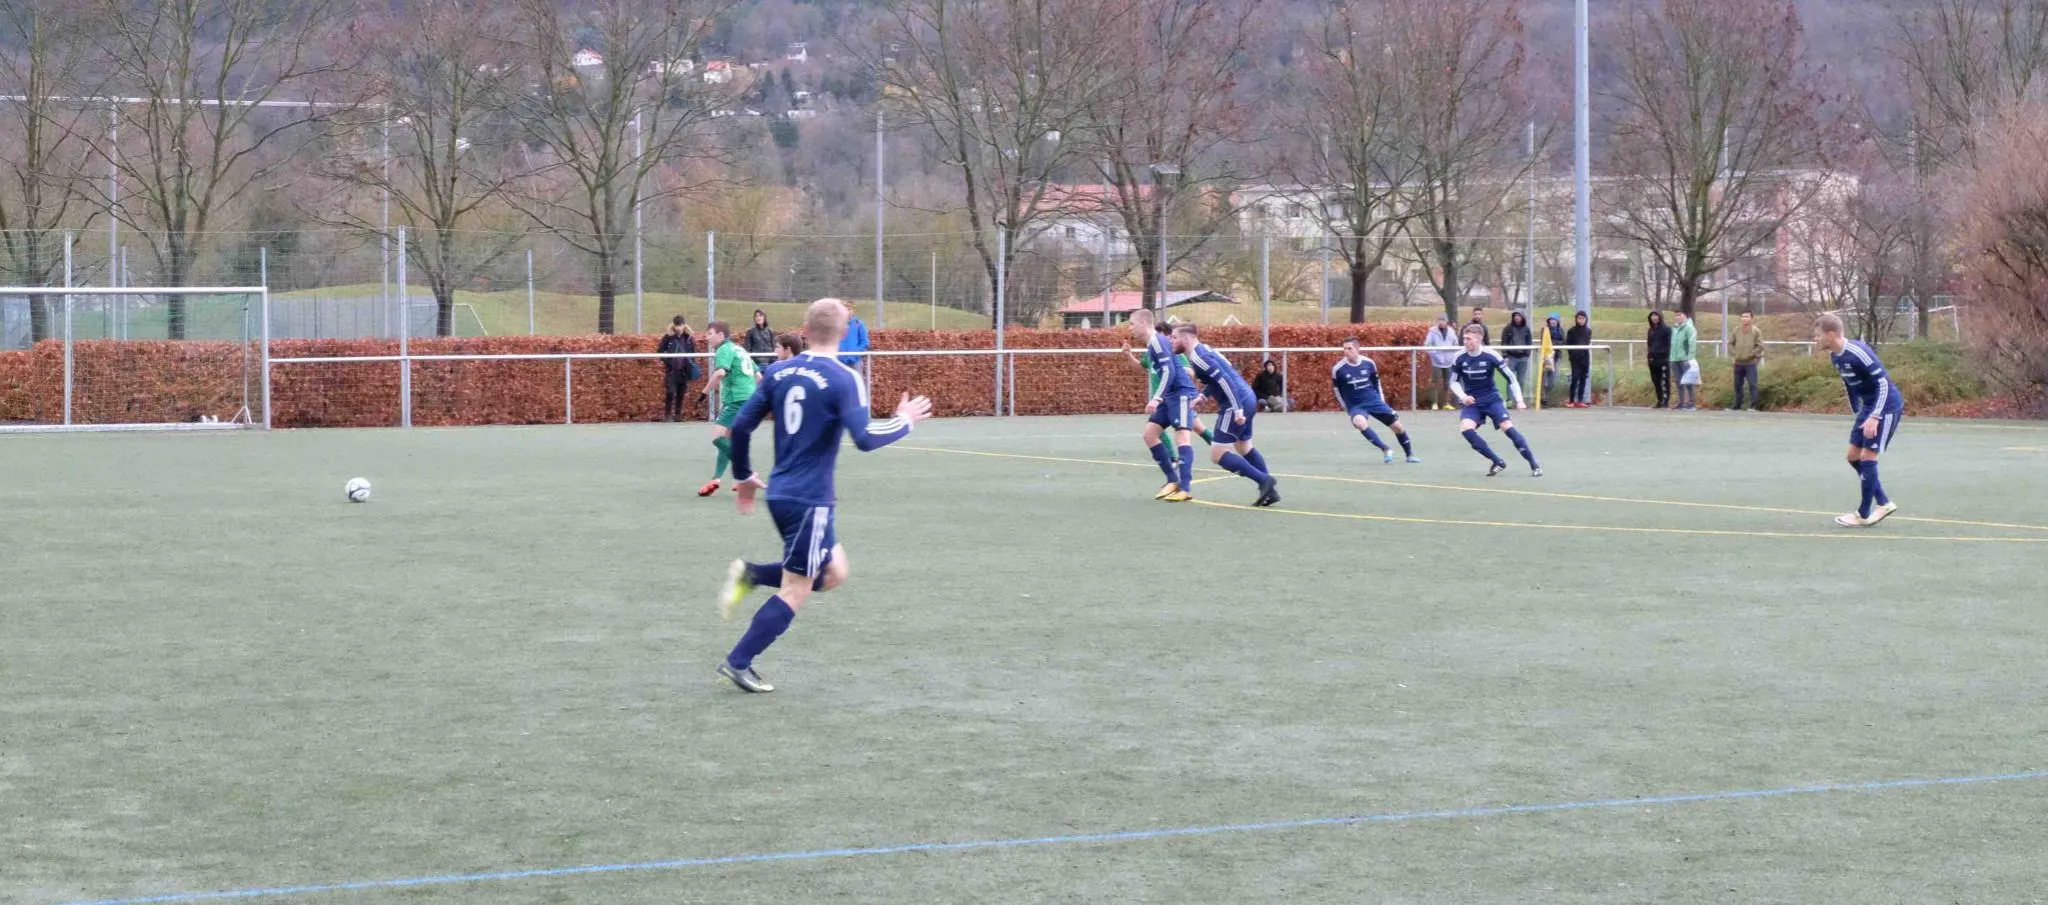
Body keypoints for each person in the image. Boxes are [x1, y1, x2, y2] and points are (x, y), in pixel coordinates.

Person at [713, 299, 935, 692]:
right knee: (797, 587)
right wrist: (904, 421)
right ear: (845, 332)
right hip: (809, 501)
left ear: (805, 329)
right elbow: (865, 438)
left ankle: (751, 574)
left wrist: (744, 475)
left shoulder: (779, 371)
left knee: (834, 574)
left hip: (784, 494)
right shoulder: (844, 377)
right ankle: (739, 662)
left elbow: (743, 426)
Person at [1172, 324, 1280, 507]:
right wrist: (1203, 396)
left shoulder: (1199, 357)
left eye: (1174, 337)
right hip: (1247, 398)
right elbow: (1222, 375)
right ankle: (1271, 492)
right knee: (1243, 447)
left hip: (1236, 403)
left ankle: (1264, 481)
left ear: (1187, 338)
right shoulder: (1204, 350)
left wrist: (1237, 409)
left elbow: (1225, 380)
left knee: (1217, 454)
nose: (1171, 341)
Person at [1815, 313, 1902, 528]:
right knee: (1853, 456)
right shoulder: (1835, 356)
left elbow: (1883, 383)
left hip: (1886, 406)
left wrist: (1875, 416)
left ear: (1831, 334)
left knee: (1867, 456)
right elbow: (1849, 383)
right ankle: (1884, 502)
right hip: (1868, 407)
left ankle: (1863, 513)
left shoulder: (1858, 352)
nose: (1815, 339)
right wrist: (1857, 411)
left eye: (1818, 335)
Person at [1450, 323, 1542, 477]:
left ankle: (1534, 465)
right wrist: (1463, 396)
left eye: (1469, 339)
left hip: (1492, 399)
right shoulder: (1459, 357)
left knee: (1507, 427)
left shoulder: (1491, 355)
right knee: (1466, 429)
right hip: (1472, 402)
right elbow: (1453, 381)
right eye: (1464, 339)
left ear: (1479, 339)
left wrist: (1519, 400)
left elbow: (1511, 378)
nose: (1465, 342)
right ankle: (1497, 461)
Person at [1128, 308, 1200, 501]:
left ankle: (1185, 489)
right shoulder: (1152, 344)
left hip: (1181, 393)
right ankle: (1172, 480)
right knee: (1150, 434)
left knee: (1182, 437)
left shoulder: (1157, 341)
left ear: (1143, 323)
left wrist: (1156, 398)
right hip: (1169, 395)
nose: (1130, 328)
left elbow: (1169, 371)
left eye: (1132, 324)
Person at [1121, 325, 1214, 447]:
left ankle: (1220, 449)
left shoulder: (1174, 354)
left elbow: (1191, 373)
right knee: (1155, 430)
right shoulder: (1151, 353)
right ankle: (1173, 457)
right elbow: (1140, 367)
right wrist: (1128, 355)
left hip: (1176, 397)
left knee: (1194, 430)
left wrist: (1178, 370)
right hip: (1161, 399)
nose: (1156, 340)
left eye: (1159, 336)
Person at [697, 321, 759, 497]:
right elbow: (758, 376)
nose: (707, 337)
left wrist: (703, 393)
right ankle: (717, 479)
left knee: (717, 437)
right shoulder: (740, 350)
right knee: (727, 439)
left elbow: (720, 373)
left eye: (710, 334)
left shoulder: (723, 349)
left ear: (721, 335)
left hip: (736, 400)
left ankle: (746, 473)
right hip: (748, 398)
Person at [1332, 337, 1419, 464]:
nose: (1346, 351)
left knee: (1397, 427)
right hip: (1356, 405)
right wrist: (1346, 407)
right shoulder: (1338, 369)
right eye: (1344, 349)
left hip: (1374, 401)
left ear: (1357, 349)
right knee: (1359, 423)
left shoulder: (1369, 363)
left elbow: (1376, 382)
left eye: (1349, 348)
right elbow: (1337, 390)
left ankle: (1409, 455)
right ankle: (1385, 449)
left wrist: (1381, 400)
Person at [657, 315, 698, 422]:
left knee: (681, 393)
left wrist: (691, 364)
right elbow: (660, 352)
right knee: (670, 392)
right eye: (676, 325)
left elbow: (693, 353)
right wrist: (668, 362)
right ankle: (667, 415)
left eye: (680, 325)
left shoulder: (688, 338)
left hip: (684, 370)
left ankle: (678, 415)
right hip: (672, 371)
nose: (678, 327)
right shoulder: (668, 338)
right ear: (674, 325)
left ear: (684, 325)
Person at [1730, 310, 1764, 411]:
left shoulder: (1756, 331)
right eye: (1743, 316)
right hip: (1738, 363)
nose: (1744, 318)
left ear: (1751, 318)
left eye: (1746, 316)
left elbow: (1760, 346)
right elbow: (1731, 343)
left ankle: (1753, 406)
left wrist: (1751, 354)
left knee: (1752, 384)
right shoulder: (1736, 330)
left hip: (1750, 363)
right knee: (1737, 385)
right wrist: (1735, 353)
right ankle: (1737, 405)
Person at [1425, 314, 1460, 410]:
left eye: (1443, 320)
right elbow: (1427, 345)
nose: (1441, 322)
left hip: (1448, 361)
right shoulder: (1432, 331)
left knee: (1447, 382)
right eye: (1439, 320)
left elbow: (1455, 344)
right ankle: (1434, 403)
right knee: (1435, 382)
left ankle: (1445, 403)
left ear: (1446, 321)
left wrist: (1452, 354)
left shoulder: (1451, 331)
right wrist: (1435, 354)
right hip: (1436, 361)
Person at [1670, 309, 1699, 410]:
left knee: (1688, 381)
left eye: (1679, 315)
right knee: (1678, 381)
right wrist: (1671, 357)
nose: (1677, 317)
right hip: (1674, 359)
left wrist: (1690, 358)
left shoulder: (1689, 327)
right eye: (1676, 315)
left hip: (1685, 359)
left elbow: (1692, 343)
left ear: (1685, 316)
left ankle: (1691, 403)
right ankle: (1681, 402)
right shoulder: (1674, 328)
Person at [1565, 310, 1594, 408]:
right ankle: (1571, 400)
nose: (1581, 320)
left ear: (1586, 319)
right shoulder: (1571, 331)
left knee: (1583, 378)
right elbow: (1568, 344)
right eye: (1579, 318)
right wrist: (1572, 355)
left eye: (1582, 318)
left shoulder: (1588, 331)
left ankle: (1580, 400)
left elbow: (1587, 343)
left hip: (1585, 357)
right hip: (1575, 358)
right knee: (1575, 378)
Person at [1646, 310, 1673, 409]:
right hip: (1653, 359)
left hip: (1663, 359)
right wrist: (1649, 356)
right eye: (1652, 316)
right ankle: (1659, 400)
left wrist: (1666, 356)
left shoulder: (1666, 329)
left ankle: (1665, 401)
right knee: (1656, 381)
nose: (1654, 318)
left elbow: (1669, 344)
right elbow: (1649, 344)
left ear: (1660, 317)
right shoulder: (1651, 330)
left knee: (1664, 381)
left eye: (1656, 315)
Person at [1501, 310, 1533, 391]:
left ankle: (1519, 398)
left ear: (1522, 317)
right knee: (1510, 380)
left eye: (1518, 315)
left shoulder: (1526, 329)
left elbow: (1529, 342)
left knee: (1521, 381)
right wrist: (1505, 356)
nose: (1516, 317)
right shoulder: (1508, 328)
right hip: (1511, 358)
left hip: (1523, 358)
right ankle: (1510, 398)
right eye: (1515, 315)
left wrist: (1527, 354)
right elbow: (1504, 341)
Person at [838, 300, 870, 374]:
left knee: (856, 379)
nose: (847, 312)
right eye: (844, 310)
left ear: (852, 310)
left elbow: (864, 342)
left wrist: (855, 354)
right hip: (839, 361)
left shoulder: (859, 324)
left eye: (849, 309)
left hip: (855, 361)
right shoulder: (836, 325)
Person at [1542, 312, 1566, 403]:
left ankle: (1548, 397)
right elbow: (1544, 341)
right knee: (1544, 378)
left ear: (1557, 321)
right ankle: (1543, 398)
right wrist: (1553, 344)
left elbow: (1564, 342)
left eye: (1554, 320)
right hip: (1546, 357)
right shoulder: (1545, 330)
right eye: (1551, 320)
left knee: (1553, 380)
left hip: (1556, 357)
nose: (1552, 321)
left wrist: (1554, 344)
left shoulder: (1560, 330)